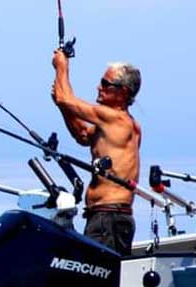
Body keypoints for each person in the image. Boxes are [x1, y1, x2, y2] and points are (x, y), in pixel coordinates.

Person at [51, 50, 141, 255]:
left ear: (123, 92)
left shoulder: (115, 118)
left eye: (105, 83)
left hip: (107, 219)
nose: (99, 87)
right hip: (108, 217)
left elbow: (65, 98)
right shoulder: (120, 124)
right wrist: (62, 106)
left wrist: (61, 66)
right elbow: (82, 135)